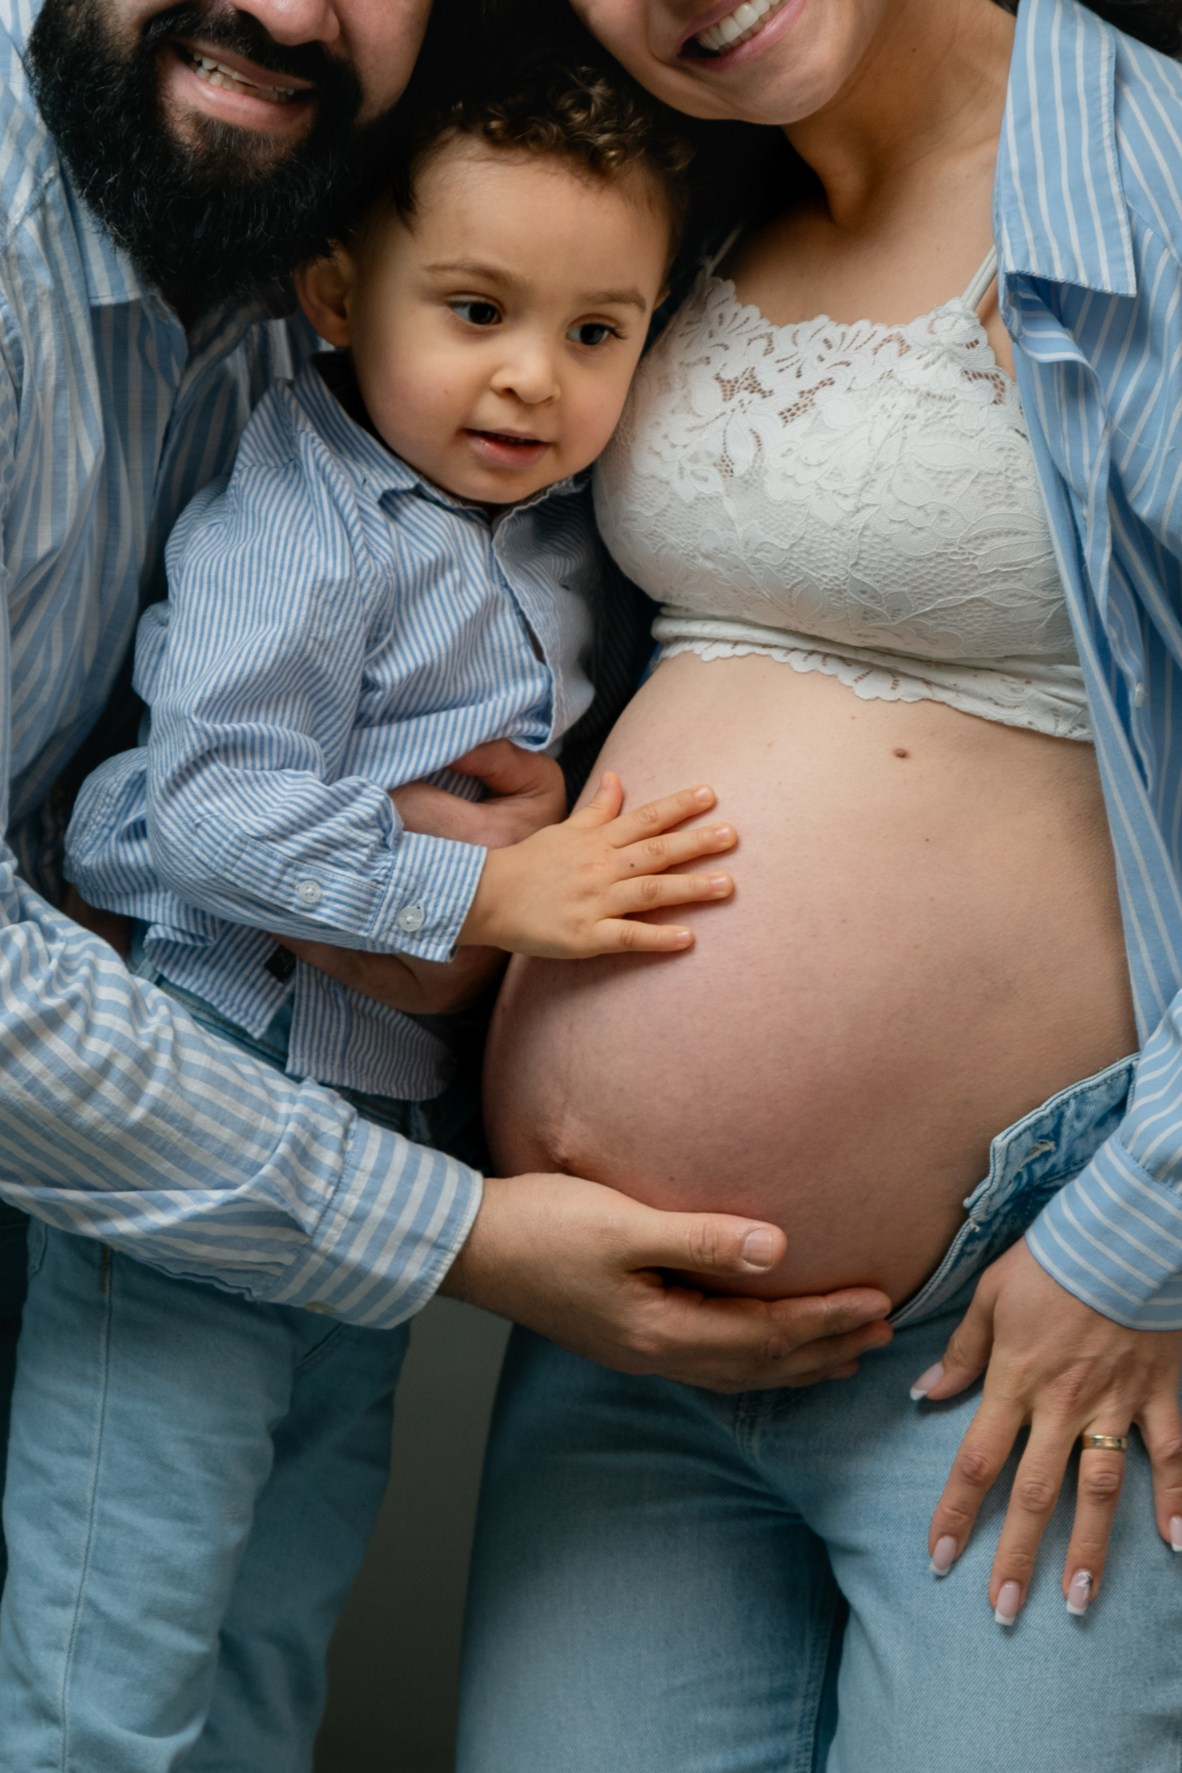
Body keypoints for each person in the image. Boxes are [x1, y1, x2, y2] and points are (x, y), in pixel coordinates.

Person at [0, 0, 900, 1603]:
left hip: (374, 1119)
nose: (531, 382)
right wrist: (479, 903)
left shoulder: (544, 519)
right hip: (211, 1085)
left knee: (282, 1600)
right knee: (112, 1629)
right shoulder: (303, 480)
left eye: (594, 335)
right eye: (479, 311)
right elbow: (189, 808)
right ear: (339, 296)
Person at [455, 1, 1182, 1768]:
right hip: (613, 1339)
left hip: (1028, 1329)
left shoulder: (1141, 186)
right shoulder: (667, 197)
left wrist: (1139, 1245)